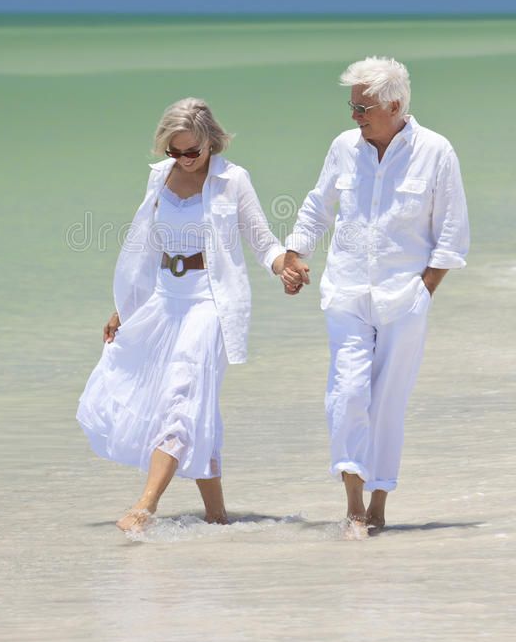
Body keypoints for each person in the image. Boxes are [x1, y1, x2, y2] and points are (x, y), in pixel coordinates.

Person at [77, 98, 286, 532]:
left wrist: (285, 267)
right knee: (196, 404)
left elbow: (263, 241)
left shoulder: (233, 180)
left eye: (192, 151)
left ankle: (145, 506)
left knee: (181, 396)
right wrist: (124, 309)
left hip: (210, 301)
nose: (184, 160)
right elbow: (145, 248)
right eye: (175, 152)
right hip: (164, 299)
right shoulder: (158, 178)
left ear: (211, 142)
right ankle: (217, 517)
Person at [281, 57, 469, 536]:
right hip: (345, 292)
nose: (354, 116)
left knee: (387, 401)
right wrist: (294, 253)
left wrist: (422, 292)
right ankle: (353, 507)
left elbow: (451, 234)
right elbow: (317, 205)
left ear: (395, 104)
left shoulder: (436, 151)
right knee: (346, 395)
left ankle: (380, 503)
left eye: (362, 107)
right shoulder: (344, 148)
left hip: (403, 297)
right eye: (352, 106)